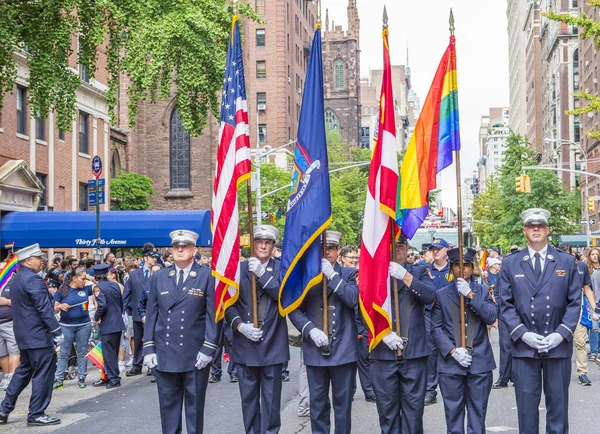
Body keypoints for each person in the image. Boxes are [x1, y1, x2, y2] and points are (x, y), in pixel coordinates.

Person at [498, 208, 581, 433]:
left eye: (541, 226)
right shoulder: (511, 263)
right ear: (524, 230)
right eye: (532, 226)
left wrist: (561, 333)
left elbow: (575, 302)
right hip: (525, 347)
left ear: (548, 230)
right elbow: (505, 304)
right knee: (526, 408)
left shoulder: (565, 261)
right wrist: (523, 333)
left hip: (558, 346)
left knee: (558, 407)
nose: (536, 229)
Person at [143, 229, 221, 434]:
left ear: (194, 250)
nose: (179, 249)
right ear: (170, 250)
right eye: (176, 246)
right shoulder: (159, 277)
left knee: (195, 410)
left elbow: (213, 317)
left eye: (185, 246)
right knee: (168, 409)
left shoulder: (206, 277)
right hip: (165, 354)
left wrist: (209, 348)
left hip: (194, 355)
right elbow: (152, 315)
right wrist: (148, 348)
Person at [289, 231, 359, 434]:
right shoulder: (306, 275)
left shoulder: (348, 274)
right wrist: (310, 330)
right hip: (315, 349)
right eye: (323, 248)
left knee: (342, 406)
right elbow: (295, 308)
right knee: (318, 406)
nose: (327, 252)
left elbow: (353, 299)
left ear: (338, 251)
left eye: (331, 248)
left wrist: (333, 276)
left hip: (343, 349)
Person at [226, 225, 290, 434]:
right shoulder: (238, 269)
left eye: (267, 242)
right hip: (245, 346)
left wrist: (262, 274)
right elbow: (228, 304)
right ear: (252, 244)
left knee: (271, 405)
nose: (263, 246)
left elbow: (284, 297)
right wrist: (239, 325)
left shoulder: (282, 268)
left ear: (273, 246)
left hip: (272, 345)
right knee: (249, 403)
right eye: (259, 242)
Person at [369, 233, 436, 433]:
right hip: (383, 353)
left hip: (414, 354)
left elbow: (430, 296)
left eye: (401, 245)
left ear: (407, 248)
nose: (397, 248)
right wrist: (383, 334)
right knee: (387, 415)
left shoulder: (419, 271)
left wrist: (405, 276)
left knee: (414, 415)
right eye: (393, 244)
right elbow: (362, 310)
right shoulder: (373, 274)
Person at [431, 247, 497, 434]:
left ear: (472, 267)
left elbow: (491, 317)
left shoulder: (484, 291)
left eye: (467, 265)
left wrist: (471, 295)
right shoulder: (442, 294)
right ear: (451, 268)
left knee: (478, 415)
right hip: (451, 364)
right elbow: (435, 328)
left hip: (480, 363)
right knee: (453, 416)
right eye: (458, 265)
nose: (463, 269)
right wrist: (452, 351)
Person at [0, 244, 62, 427]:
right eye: (38, 258)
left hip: (25, 334)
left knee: (23, 371)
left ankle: (4, 408)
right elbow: (43, 308)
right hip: (38, 335)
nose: (41, 261)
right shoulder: (33, 279)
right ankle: (36, 413)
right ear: (28, 260)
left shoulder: (18, 278)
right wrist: (56, 331)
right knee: (44, 373)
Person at [340, 246, 376, 403]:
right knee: (347, 362)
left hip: (362, 323)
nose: (354, 260)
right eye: (351, 257)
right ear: (342, 258)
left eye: (356, 258)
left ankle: (369, 391)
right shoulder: (337, 275)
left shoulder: (362, 273)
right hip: (344, 324)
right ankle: (349, 391)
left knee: (364, 359)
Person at [53, 265, 93, 389]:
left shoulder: (86, 289)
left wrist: (88, 276)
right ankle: (59, 379)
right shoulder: (62, 290)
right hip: (66, 326)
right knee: (64, 353)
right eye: (82, 279)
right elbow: (54, 309)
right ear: (74, 279)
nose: (84, 281)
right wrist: (60, 307)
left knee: (82, 352)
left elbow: (101, 283)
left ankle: (82, 378)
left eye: (85, 279)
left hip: (84, 325)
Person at [123, 243, 159, 377]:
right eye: (151, 257)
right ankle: (137, 365)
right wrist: (124, 312)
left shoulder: (158, 273)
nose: (154, 259)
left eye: (155, 257)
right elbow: (126, 293)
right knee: (138, 341)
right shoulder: (134, 275)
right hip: (138, 314)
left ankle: (152, 366)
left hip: (154, 313)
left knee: (152, 340)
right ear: (145, 258)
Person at [424, 238, 451, 406]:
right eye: (433, 249)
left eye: (439, 249)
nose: (435, 251)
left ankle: (450, 387)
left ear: (446, 250)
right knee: (431, 352)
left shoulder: (454, 268)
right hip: (430, 313)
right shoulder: (425, 270)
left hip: (449, 315)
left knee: (448, 349)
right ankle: (430, 390)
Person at [92, 263, 125, 389]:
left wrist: (96, 317)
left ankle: (113, 378)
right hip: (117, 321)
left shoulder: (98, 288)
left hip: (108, 323)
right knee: (114, 350)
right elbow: (121, 303)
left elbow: (102, 305)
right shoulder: (114, 285)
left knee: (108, 352)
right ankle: (113, 374)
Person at [0, 262, 19, 392]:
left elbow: (22, 302)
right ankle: (6, 376)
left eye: (2, 268)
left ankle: (13, 379)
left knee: (14, 350)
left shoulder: (15, 283)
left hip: (10, 322)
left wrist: (6, 302)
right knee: (2, 352)